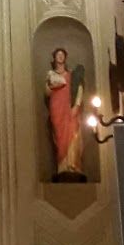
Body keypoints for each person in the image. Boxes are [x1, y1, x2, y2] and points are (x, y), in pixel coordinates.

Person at [45, 47, 87, 180]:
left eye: (62, 55)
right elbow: (47, 92)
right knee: (60, 135)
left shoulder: (71, 75)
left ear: (65, 58)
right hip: (57, 108)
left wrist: (77, 105)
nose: (60, 57)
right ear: (54, 58)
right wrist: (52, 84)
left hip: (70, 109)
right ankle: (62, 166)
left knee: (73, 132)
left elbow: (79, 88)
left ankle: (73, 165)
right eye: (58, 55)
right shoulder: (51, 74)